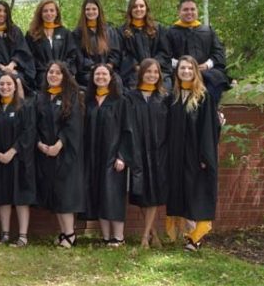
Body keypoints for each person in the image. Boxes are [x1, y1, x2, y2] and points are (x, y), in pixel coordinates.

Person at [165, 55, 221, 252]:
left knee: (196, 193)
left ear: (196, 72)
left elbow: (209, 129)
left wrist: (206, 157)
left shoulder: (203, 97)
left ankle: (195, 237)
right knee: (180, 191)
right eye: (182, 69)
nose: (186, 72)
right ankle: (185, 234)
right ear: (177, 72)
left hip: (196, 155)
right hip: (176, 155)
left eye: (190, 68)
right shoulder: (172, 97)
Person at [34, 61, 85, 248]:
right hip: (46, 152)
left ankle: (70, 234)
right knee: (55, 193)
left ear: (64, 76)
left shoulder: (71, 97)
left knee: (65, 194)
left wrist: (60, 143)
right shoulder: (41, 98)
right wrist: (39, 144)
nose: (53, 75)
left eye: (57, 72)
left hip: (66, 154)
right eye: (50, 72)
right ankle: (64, 233)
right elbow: (35, 124)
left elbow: (74, 125)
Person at [121, 58, 168, 248]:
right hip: (138, 150)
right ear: (142, 74)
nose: (152, 75)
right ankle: (152, 232)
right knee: (142, 193)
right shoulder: (130, 97)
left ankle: (144, 237)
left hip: (158, 152)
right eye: (148, 72)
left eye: (156, 72)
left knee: (154, 193)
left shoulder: (164, 97)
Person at [81, 64, 128, 246]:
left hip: (113, 156)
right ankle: (106, 237)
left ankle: (119, 237)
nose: (100, 77)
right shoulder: (89, 101)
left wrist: (122, 156)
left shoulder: (120, 101)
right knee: (98, 193)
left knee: (113, 195)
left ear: (111, 77)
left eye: (104, 74)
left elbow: (127, 130)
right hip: (93, 155)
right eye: (97, 74)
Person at [0, 73, 36, 248]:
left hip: (19, 160)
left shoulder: (24, 107)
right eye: (1, 84)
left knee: (21, 197)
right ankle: (5, 234)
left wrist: (12, 151)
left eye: (9, 84)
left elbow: (28, 132)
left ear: (15, 87)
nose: (5, 87)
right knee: (3, 197)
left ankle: (23, 236)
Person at [165, 0, 230, 103]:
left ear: (197, 11)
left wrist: (207, 64)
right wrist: (183, 66)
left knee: (217, 80)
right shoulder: (170, 33)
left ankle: (211, 113)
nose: (189, 12)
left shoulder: (207, 31)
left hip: (206, 71)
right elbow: (165, 55)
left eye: (192, 9)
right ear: (179, 12)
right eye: (185, 9)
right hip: (180, 73)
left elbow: (219, 52)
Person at [118, 0, 171, 91]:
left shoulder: (158, 29)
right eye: (135, 7)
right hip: (133, 72)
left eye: (141, 6)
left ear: (146, 9)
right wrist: (137, 66)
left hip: (158, 71)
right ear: (130, 10)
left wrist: (152, 67)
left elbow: (164, 52)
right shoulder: (122, 31)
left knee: (165, 88)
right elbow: (123, 53)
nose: (138, 9)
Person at [26, 0, 79, 90]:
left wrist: (61, 68)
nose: (49, 13)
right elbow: (29, 56)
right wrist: (47, 70)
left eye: (52, 10)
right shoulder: (32, 34)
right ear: (40, 14)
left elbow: (72, 55)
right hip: (41, 74)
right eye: (45, 11)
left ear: (56, 13)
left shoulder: (65, 33)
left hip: (63, 73)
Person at [72, 0, 121, 88]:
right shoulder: (78, 33)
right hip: (87, 73)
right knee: (94, 82)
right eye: (88, 9)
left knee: (116, 82)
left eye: (94, 9)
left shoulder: (109, 30)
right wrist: (95, 69)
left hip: (108, 71)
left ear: (99, 11)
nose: (91, 12)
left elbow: (115, 53)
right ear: (84, 12)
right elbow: (78, 56)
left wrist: (108, 66)